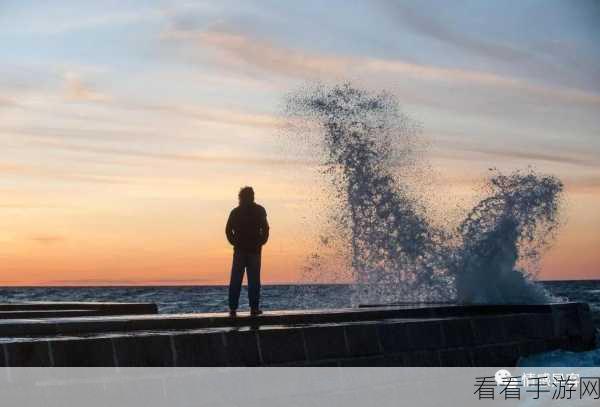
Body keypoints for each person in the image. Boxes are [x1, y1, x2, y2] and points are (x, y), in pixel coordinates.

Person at [225, 186, 269, 317]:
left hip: (245, 250)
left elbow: (228, 230)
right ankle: (251, 308)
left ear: (240, 197)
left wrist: (235, 242)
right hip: (250, 250)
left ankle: (234, 308)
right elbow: (266, 229)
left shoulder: (237, 211)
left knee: (238, 280)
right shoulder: (258, 210)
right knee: (252, 280)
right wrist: (261, 242)